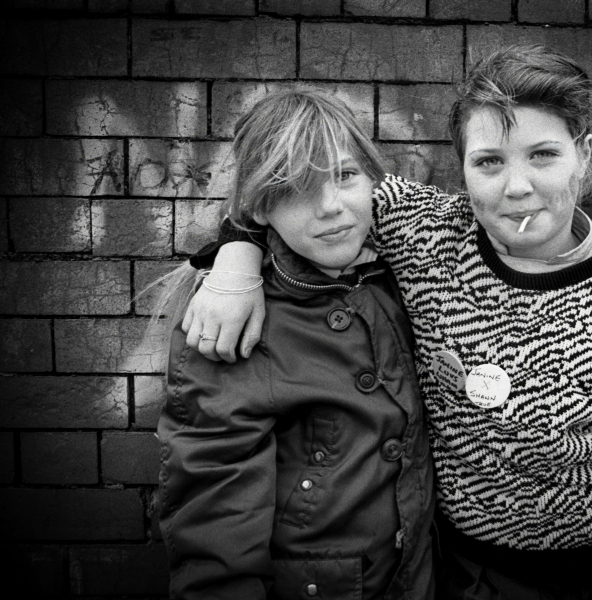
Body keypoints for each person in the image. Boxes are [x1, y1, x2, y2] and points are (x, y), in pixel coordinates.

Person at [189, 45, 592, 599]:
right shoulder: (426, 232)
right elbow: (295, 188)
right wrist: (235, 260)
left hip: (579, 578)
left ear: (584, 154)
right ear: (463, 170)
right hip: (445, 569)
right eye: (489, 162)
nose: (517, 186)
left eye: (544, 155)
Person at [155, 90, 435, 600]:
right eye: (299, 188)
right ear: (259, 207)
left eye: (346, 175)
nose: (332, 206)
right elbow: (215, 504)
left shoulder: (403, 268)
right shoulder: (233, 320)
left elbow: (506, 206)